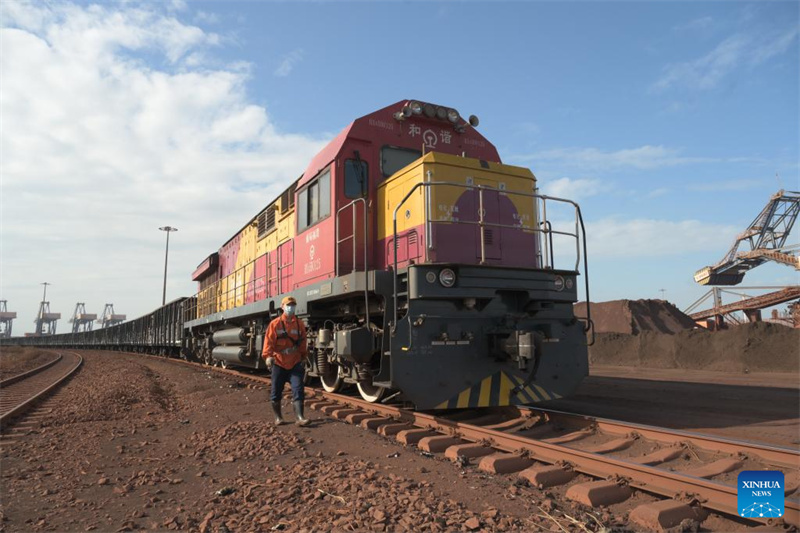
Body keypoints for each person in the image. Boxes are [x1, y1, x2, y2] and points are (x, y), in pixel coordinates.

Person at [262, 296, 310, 426]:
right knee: (276, 391)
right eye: (288, 305)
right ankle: (278, 418)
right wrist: (268, 356)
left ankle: (300, 418)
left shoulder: (299, 324)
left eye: (293, 305)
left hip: (294, 362)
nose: (291, 307)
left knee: (298, 389)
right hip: (279, 362)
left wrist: (304, 357)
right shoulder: (275, 324)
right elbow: (269, 341)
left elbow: (303, 341)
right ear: (282, 307)